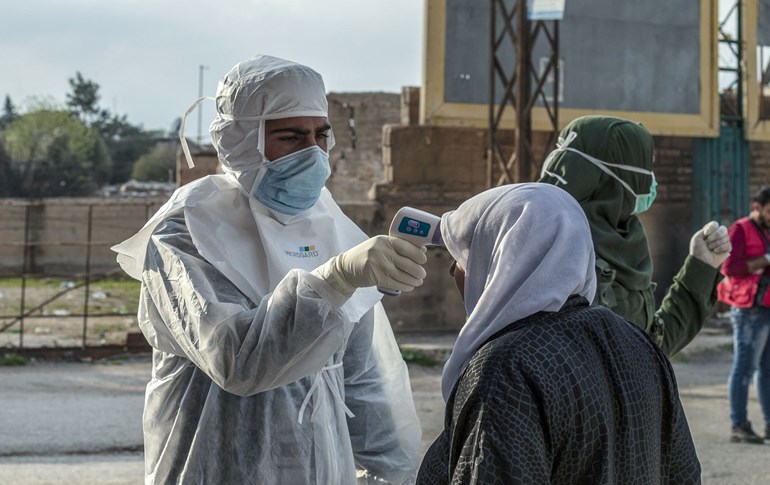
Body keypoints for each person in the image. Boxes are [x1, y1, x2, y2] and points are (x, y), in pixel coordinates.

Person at [112, 55, 425, 484]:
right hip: (213, 466)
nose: (313, 153)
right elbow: (237, 362)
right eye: (291, 137)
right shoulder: (186, 233)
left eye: (320, 135)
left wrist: (390, 473)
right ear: (241, 141)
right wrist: (333, 282)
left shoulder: (332, 229)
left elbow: (364, 380)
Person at [416, 183, 701, 484]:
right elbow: (683, 473)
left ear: (500, 258)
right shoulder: (639, 345)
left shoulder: (505, 369)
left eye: (466, 254)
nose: (454, 270)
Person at [538, 115, 731, 355]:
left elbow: (648, 346)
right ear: (619, 179)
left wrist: (701, 266)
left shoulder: (625, 244)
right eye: (646, 169)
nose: (652, 181)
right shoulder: (551, 248)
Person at [718, 187, 770, 444]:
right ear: (757, 207)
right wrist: (764, 260)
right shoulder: (740, 229)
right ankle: (739, 425)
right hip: (749, 310)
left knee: (768, 370)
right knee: (744, 369)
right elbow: (729, 267)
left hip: (768, 307)